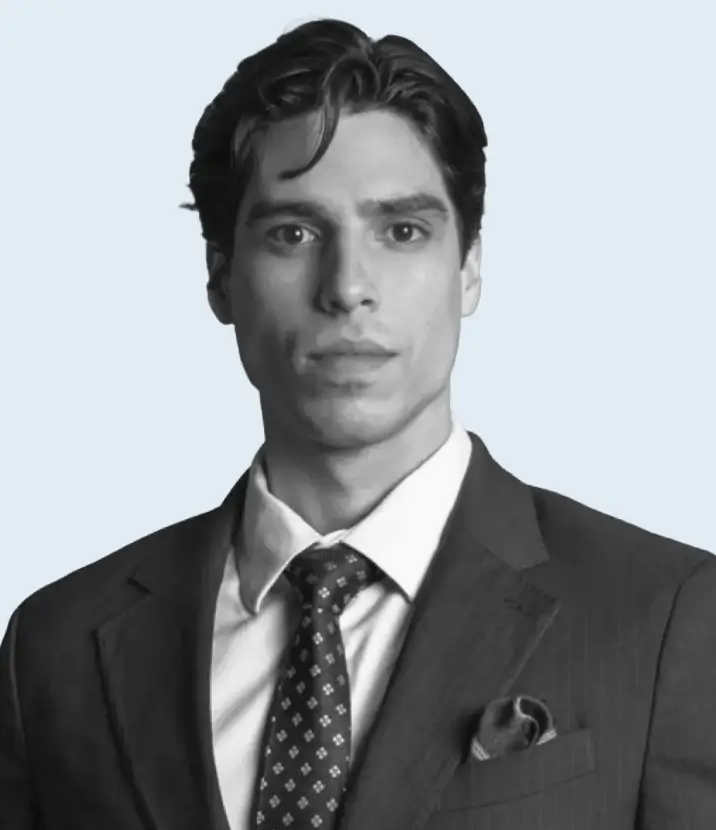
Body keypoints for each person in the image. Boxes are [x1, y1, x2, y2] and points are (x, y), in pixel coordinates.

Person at [1, 17, 714, 830]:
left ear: (469, 267)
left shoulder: (666, 617)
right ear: (221, 277)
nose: (347, 287)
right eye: (294, 233)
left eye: (402, 231)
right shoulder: (56, 647)